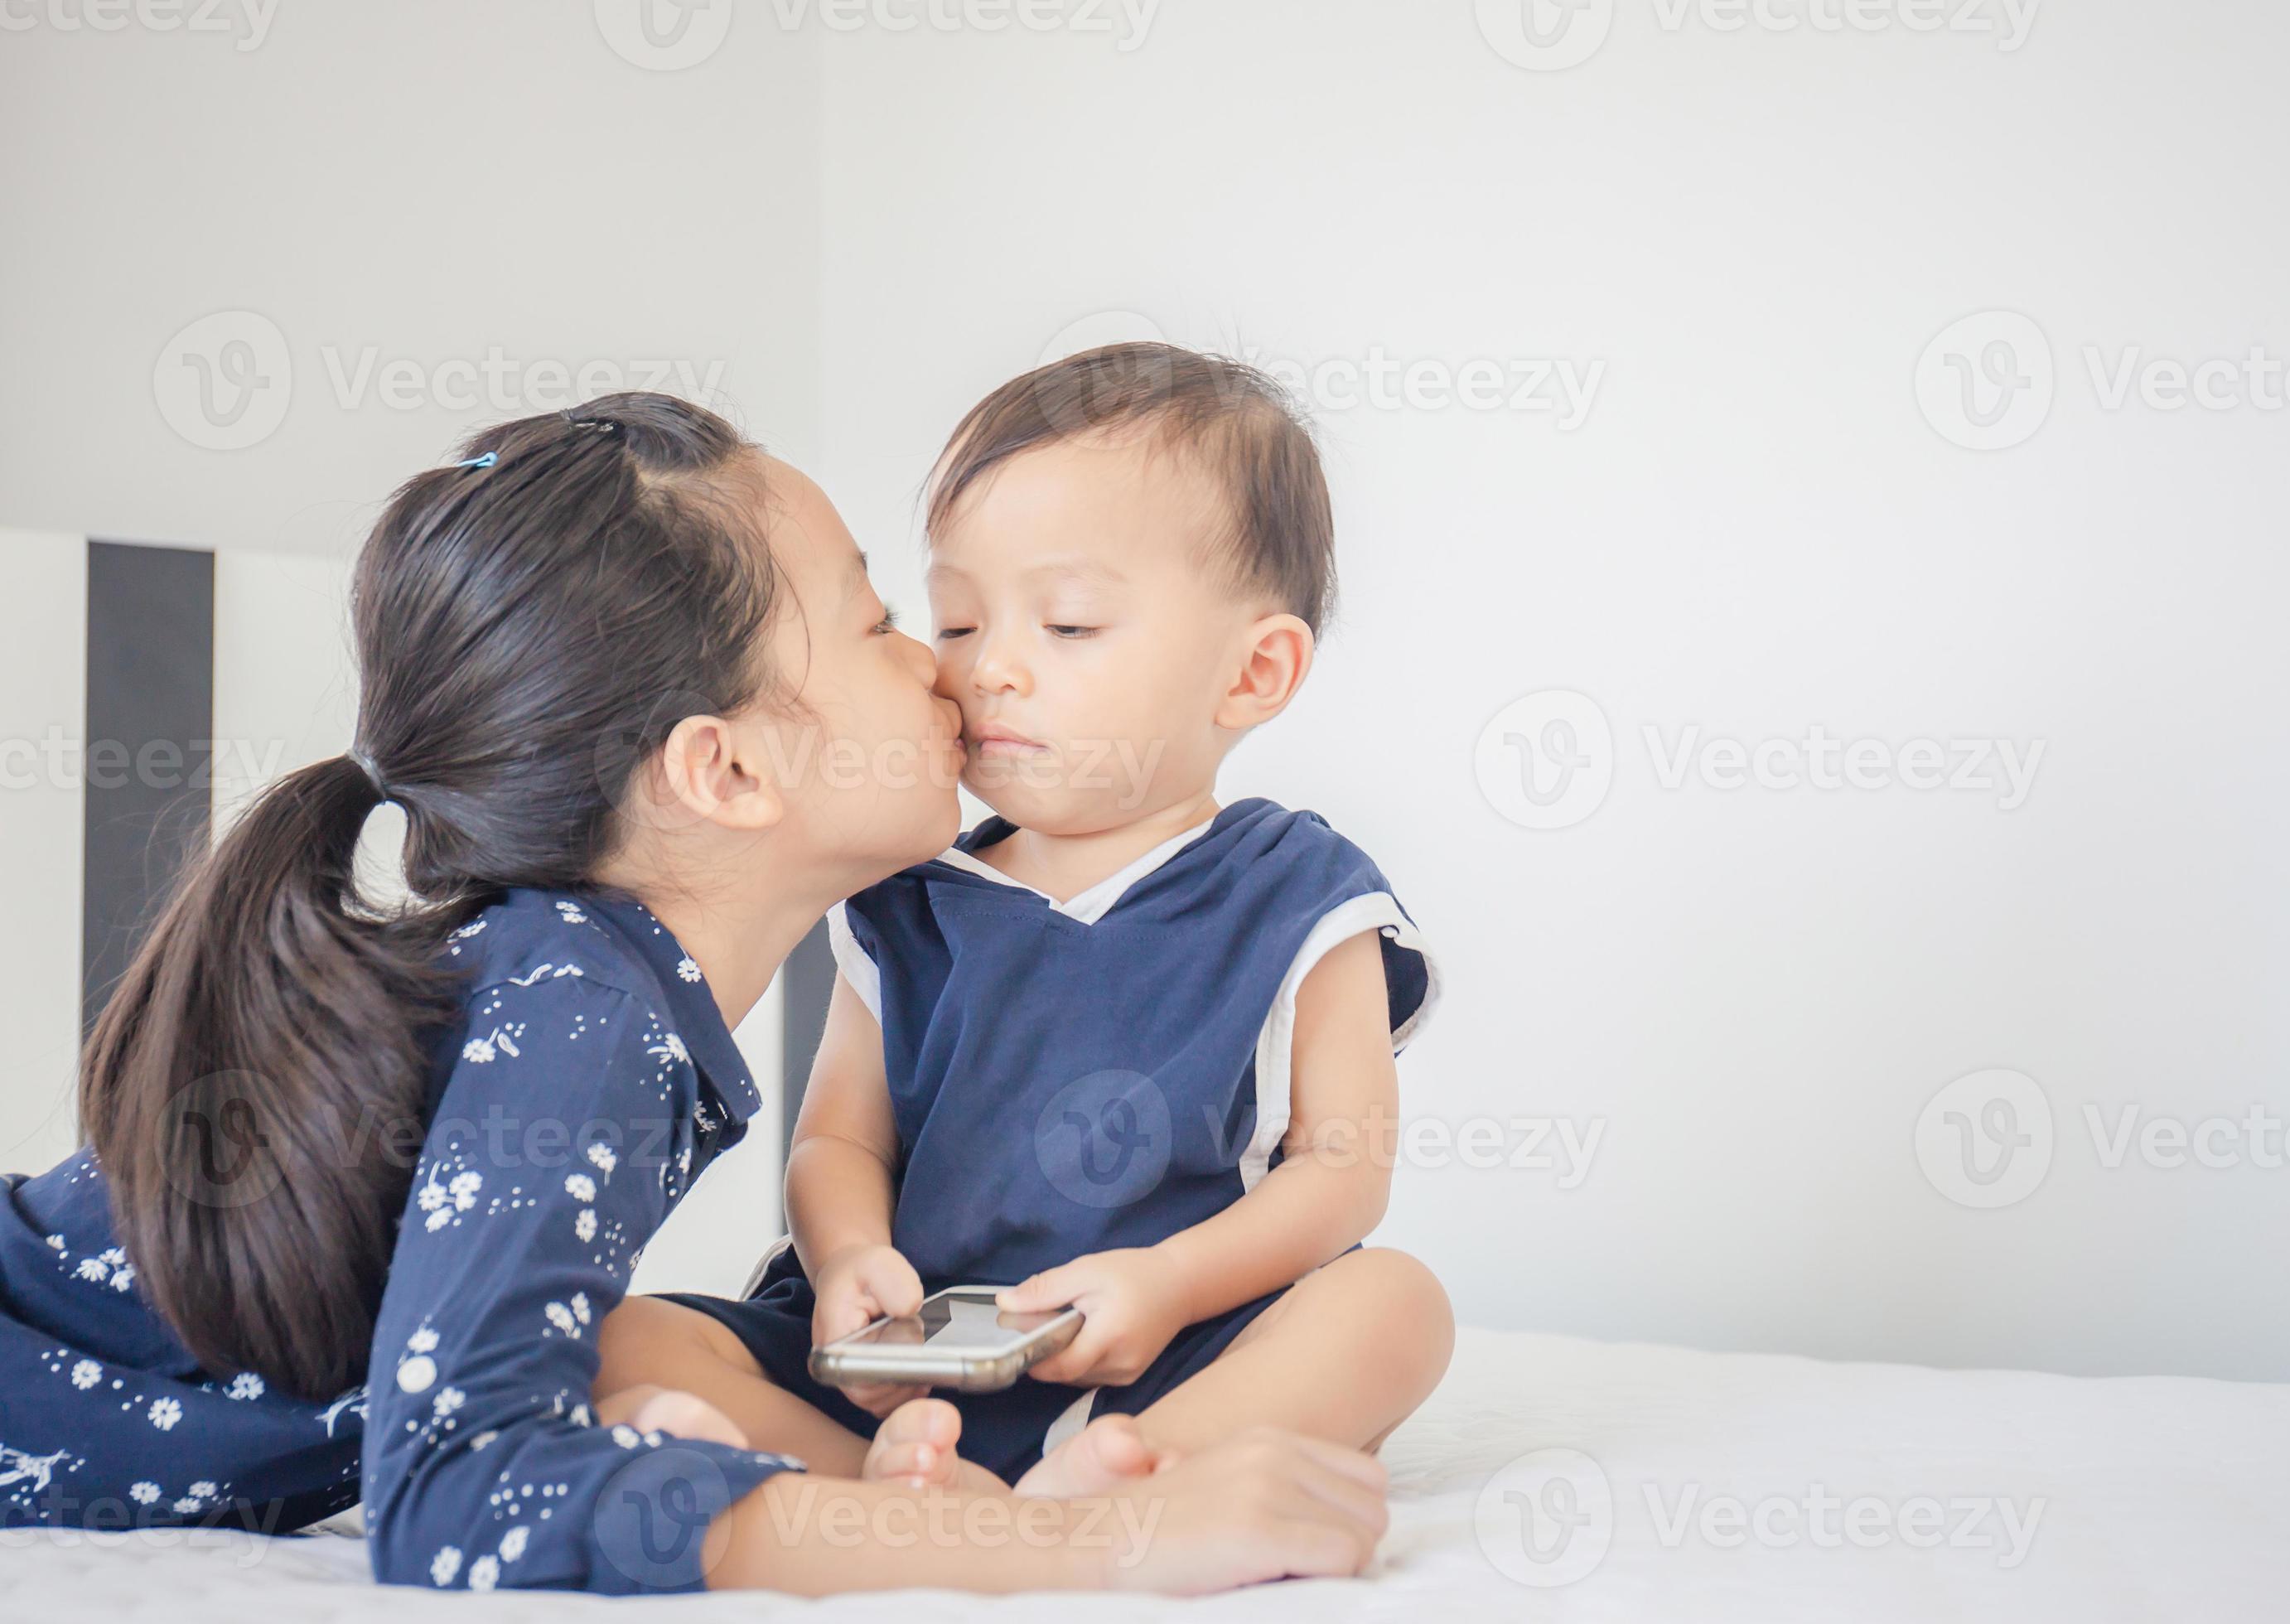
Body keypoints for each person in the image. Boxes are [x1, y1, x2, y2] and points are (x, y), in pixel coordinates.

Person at [0, 393, 1390, 1596]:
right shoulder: (578, 1007)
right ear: (726, 773)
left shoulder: (583, 985)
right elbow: (459, 1498)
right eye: (886, 620)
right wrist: (1091, 1549)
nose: (947, 668)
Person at [597, 345, 1456, 1496]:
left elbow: (1341, 1172)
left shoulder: (1303, 895)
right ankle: (893, 1484)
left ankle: (1112, 1478)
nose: (989, 670)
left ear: (1252, 674)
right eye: (955, 623)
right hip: (913, 1360)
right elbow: (838, 1143)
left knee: (1394, 1307)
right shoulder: (905, 904)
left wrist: (1172, 1288)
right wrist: (850, 1255)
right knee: (617, 1340)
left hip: (1177, 1340)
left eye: (1068, 626)